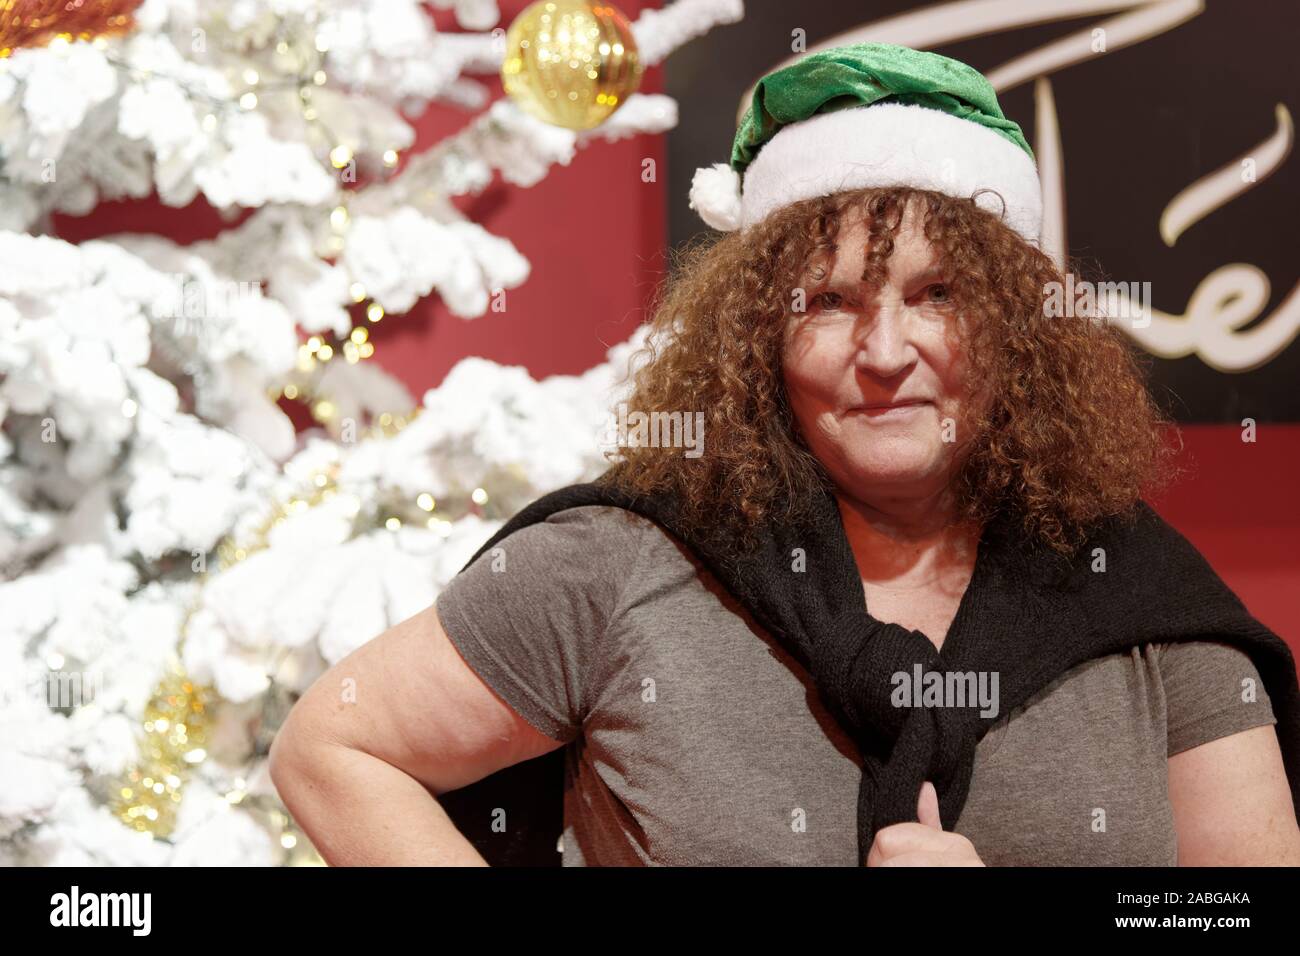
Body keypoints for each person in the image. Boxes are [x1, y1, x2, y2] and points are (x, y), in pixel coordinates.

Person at [269, 43, 1300, 866]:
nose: (886, 352)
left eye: (938, 294)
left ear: (1017, 327)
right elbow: (332, 747)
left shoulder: (1148, 597)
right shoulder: (619, 561)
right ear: (756, 335)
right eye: (828, 302)